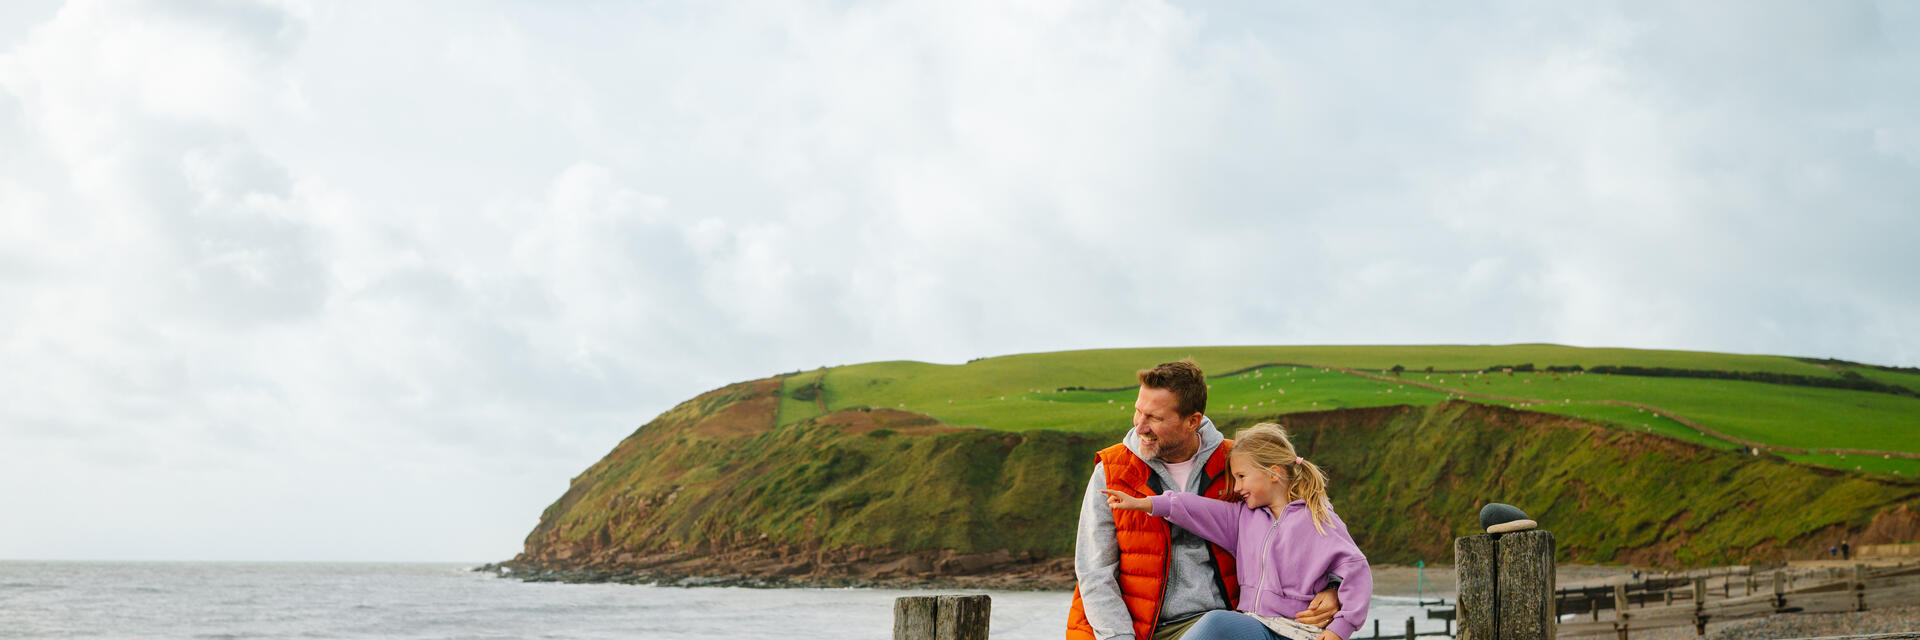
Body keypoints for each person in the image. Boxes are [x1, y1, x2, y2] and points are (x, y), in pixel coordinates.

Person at [1068, 360, 1338, 640]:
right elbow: (1094, 571)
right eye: (1138, 412)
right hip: (1139, 631)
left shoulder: (1241, 466)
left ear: (1192, 421)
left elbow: (1309, 526)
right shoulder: (1112, 471)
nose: (1140, 427)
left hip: (1229, 625)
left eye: (1155, 418)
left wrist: (1333, 588)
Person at [1103, 423, 1371, 640]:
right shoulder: (1244, 517)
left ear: (1274, 473)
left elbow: (1356, 570)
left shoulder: (1318, 519)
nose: (1237, 487)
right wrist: (1146, 503)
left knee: (1217, 622)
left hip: (1301, 632)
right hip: (1257, 626)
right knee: (1220, 624)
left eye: (1242, 477)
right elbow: (1193, 508)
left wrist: (1340, 629)